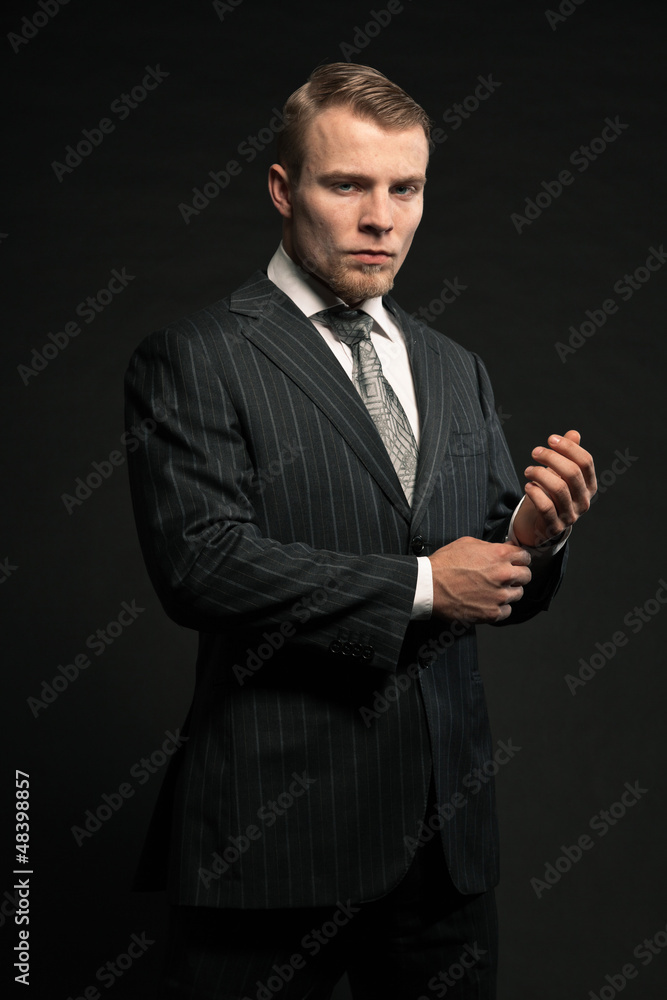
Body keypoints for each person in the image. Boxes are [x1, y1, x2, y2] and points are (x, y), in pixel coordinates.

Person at [124, 62, 596, 999]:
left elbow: (488, 576)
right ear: (282, 188)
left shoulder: (455, 367)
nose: (380, 218)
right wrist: (424, 585)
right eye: (347, 185)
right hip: (271, 842)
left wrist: (532, 539)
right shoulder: (196, 356)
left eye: (404, 189)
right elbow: (200, 563)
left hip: (443, 849)